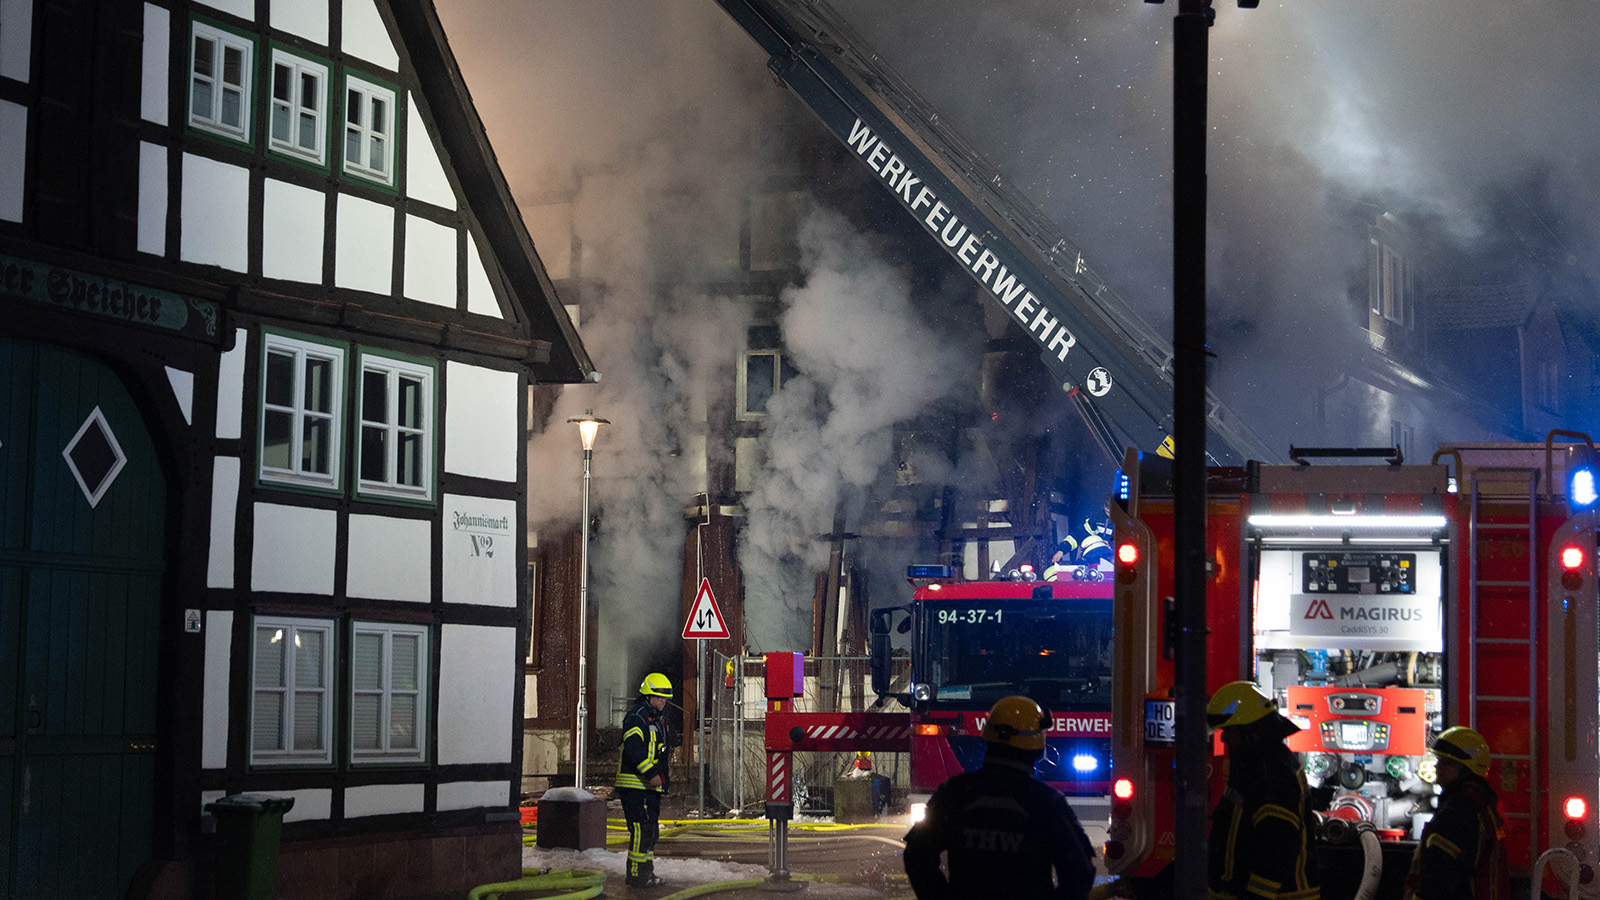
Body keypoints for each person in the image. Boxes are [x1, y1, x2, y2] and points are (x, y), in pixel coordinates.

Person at [903, 695, 1096, 900]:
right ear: (1038, 748)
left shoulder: (954, 792)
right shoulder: (1046, 802)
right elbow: (1080, 872)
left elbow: (917, 856)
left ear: (987, 737)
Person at [1206, 681, 1321, 900]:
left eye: (1228, 730)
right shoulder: (1260, 765)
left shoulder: (1270, 776)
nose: (1223, 738)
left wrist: (1255, 896)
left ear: (1251, 731)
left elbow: (1276, 849)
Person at [1403, 726, 1508, 900]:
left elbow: (1439, 880)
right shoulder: (1481, 803)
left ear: (1463, 769)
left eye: (1444, 762)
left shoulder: (1455, 814)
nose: (1437, 767)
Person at [617, 672, 674, 888]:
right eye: (659, 698)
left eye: (665, 698)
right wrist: (651, 774)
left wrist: (662, 779)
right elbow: (634, 748)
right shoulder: (637, 717)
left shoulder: (656, 719)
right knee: (641, 830)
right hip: (635, 785)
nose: (663, 702)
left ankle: (646, 873)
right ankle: (636, 875)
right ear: (648, 697)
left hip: (649, 787)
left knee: (650, 832)